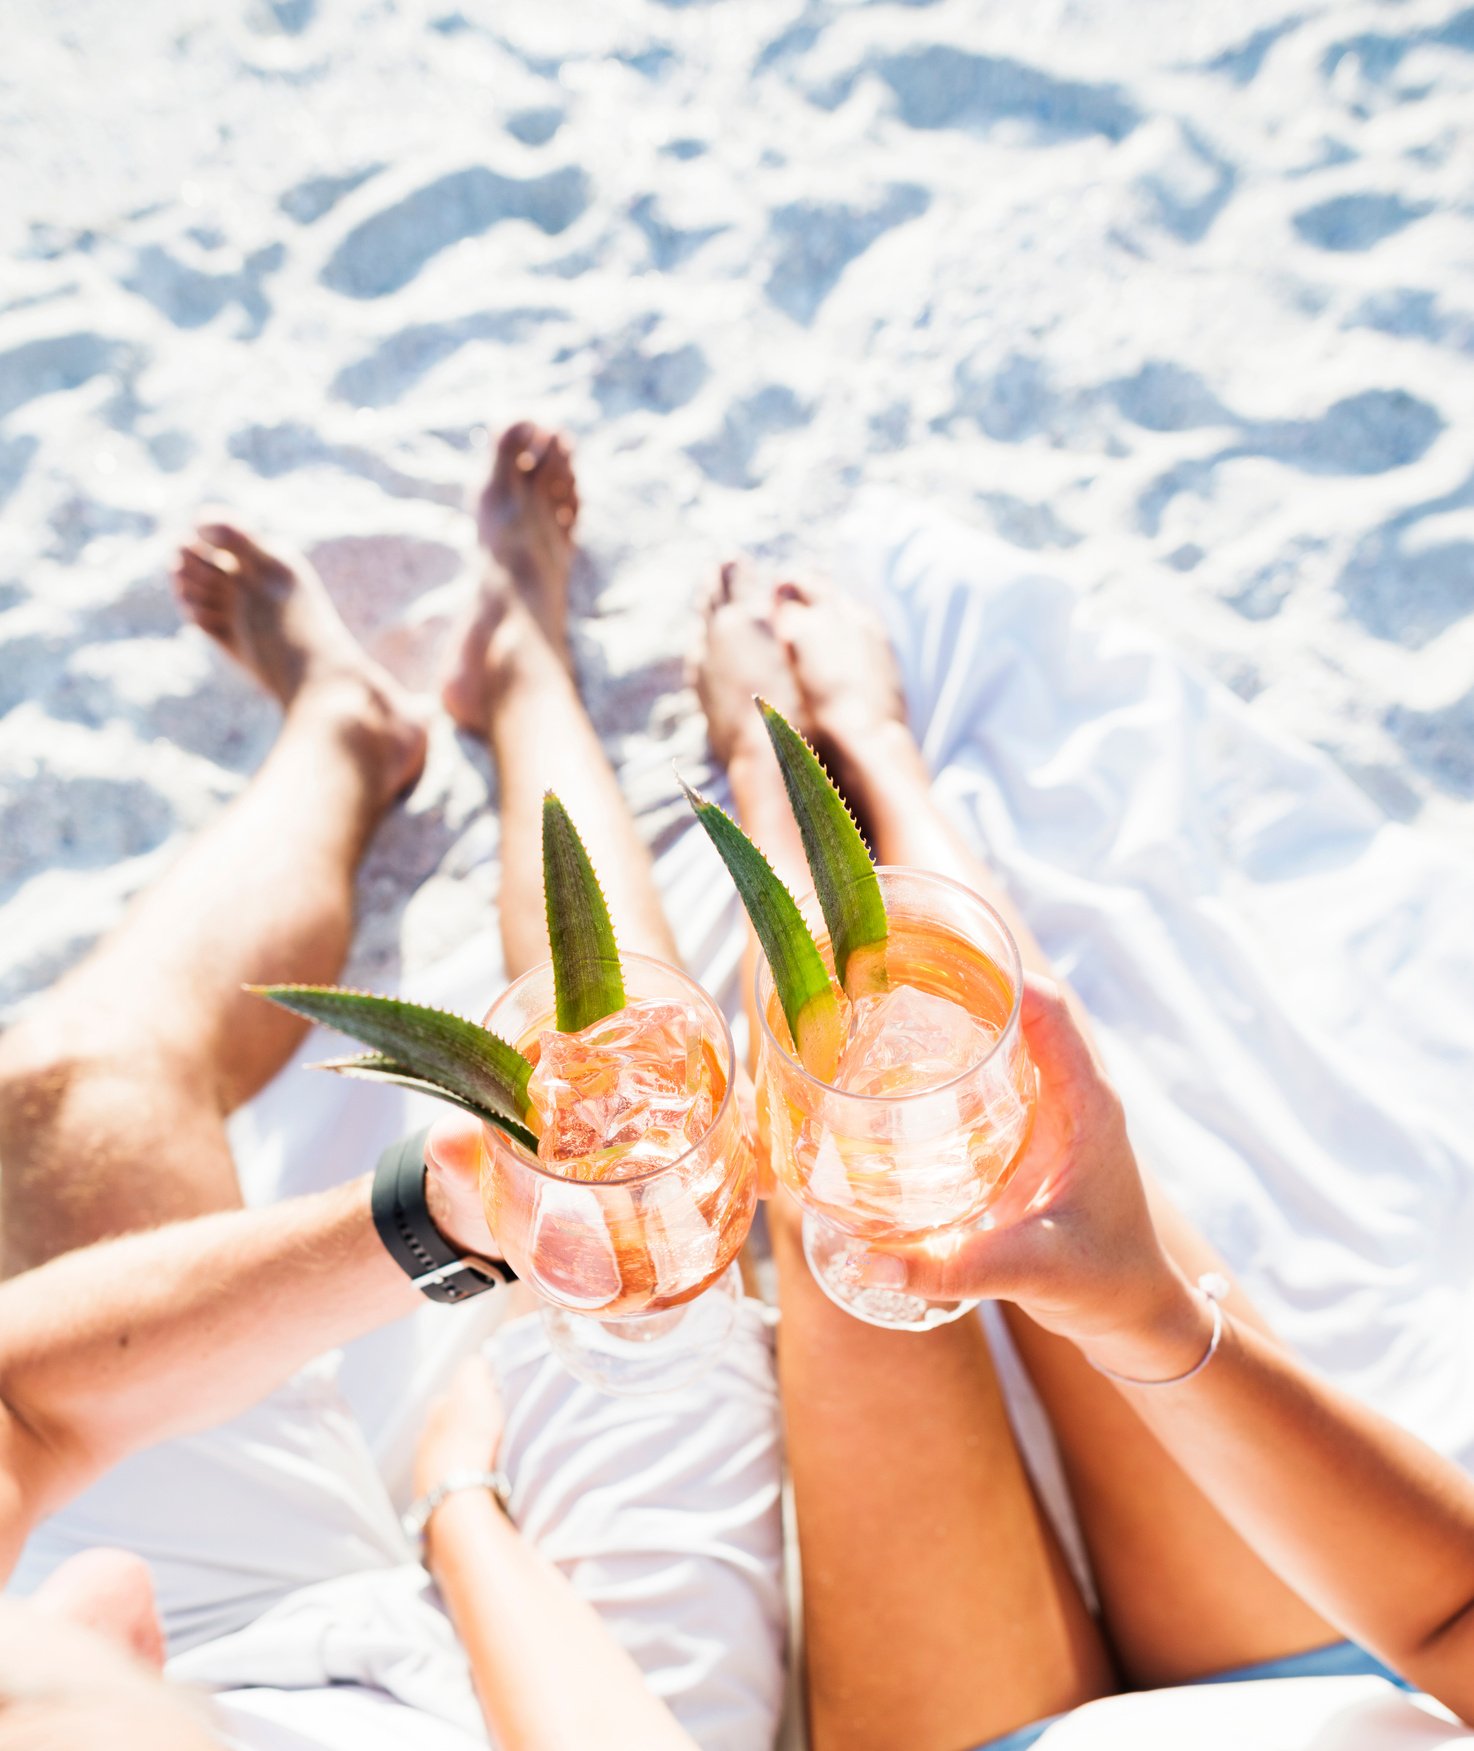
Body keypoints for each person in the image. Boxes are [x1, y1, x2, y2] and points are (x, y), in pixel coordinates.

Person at [0, 423, 783, 1751]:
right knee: (630, 1087)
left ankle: (347, 738)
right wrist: (457, 1500)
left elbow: (24, 1405)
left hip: (218, 1657)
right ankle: (528, 672)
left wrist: (445, 1211)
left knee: (53, 1115)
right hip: (574, 1700)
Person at [692, 564, 1474, 1747]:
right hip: (1319, 1669)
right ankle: (872, 748)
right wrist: (1146, 1315)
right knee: (1029, 1101)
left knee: (831, 1176)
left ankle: (770, 780)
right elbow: (1452, 1614)